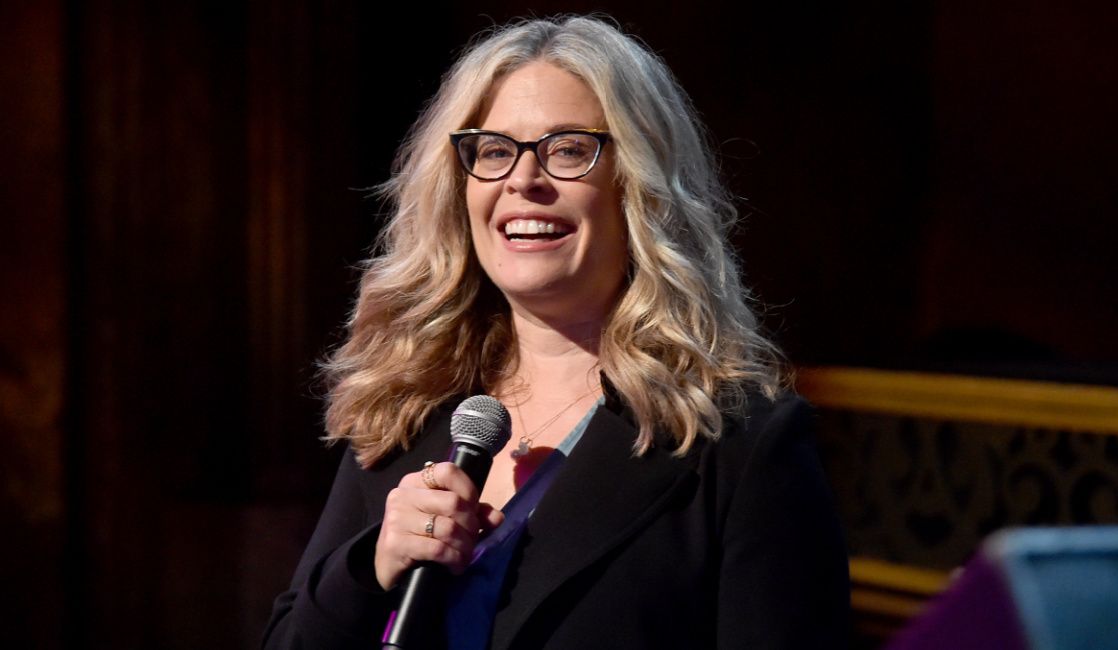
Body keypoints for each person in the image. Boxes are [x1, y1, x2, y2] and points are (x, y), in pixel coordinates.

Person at [263, 14, 848, 649]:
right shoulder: (406, 407)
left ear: (640, 187)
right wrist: (372, 565)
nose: (522, 180)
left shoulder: (741, 447)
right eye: (493, 150)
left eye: (568, 149)